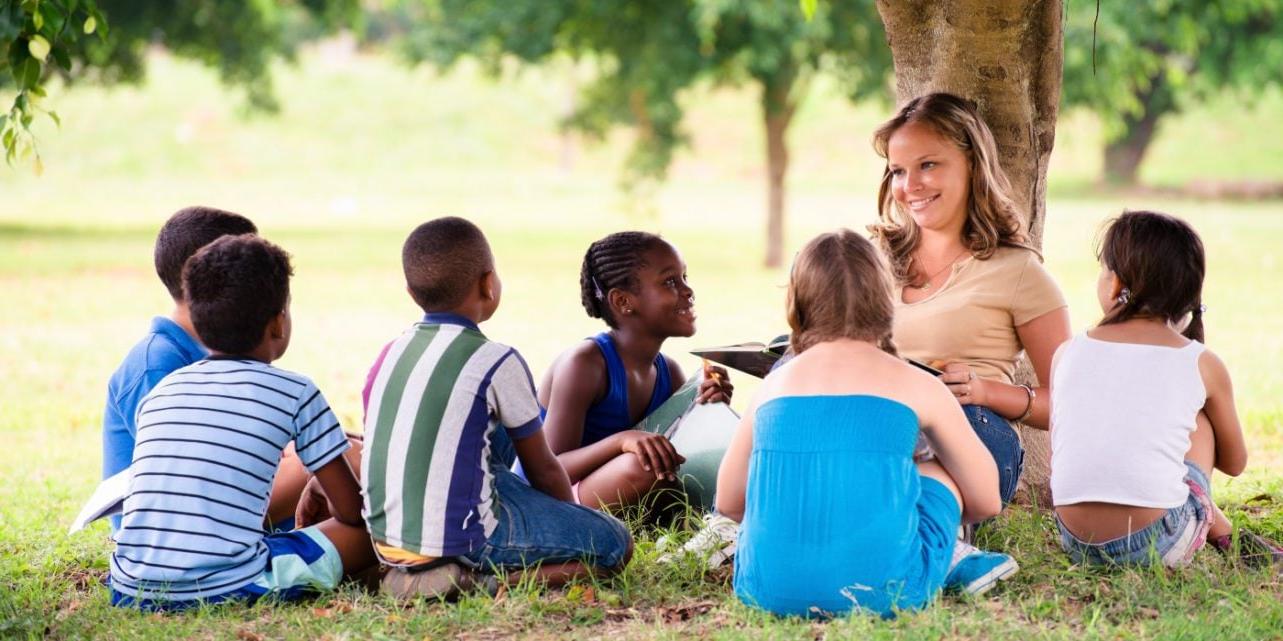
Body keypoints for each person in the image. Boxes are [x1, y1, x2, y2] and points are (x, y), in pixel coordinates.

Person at [717, 229, 1001, 618]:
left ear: (798, 303)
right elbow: (987, 500)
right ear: (886, 301)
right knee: (935, 468)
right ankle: (947, 555)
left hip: (764, 590)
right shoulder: (918, 384)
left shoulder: (771, 387)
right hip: (888, 593)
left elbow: (729, 502)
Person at [361, 217, 632, 598]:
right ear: (488, 283)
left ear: (410, 291)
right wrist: (573, 518)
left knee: (491, 421)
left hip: (387, 541)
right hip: (466, 539)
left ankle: (411, 571)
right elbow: (544, 470)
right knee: (614, 544)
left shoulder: (387, 355)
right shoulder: (494, 359)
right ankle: (475, 581)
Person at [109, 235, 375, 611]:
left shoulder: (164, 389)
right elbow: (350, 512)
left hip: (129, 587)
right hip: (229, 584)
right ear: (279, 323)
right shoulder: (295, 391)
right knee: (369, 533)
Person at [870, 93, 1071, 507]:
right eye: (897, 171)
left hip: (970, 431)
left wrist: (984, 392)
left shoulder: (1018, 272)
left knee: (913, 434)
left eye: (928, 165)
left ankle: (929, 527)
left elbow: (1069, 403)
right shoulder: (872, 260)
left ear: (973, 165)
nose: (910, 187)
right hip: (882, 421)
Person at [1051, 210, 1283, 568]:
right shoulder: (1201, 362)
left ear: (1114, 285)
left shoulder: (1067, 352)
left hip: (1075, 541)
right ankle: (1224, 533)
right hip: (1158, 542)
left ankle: (1224, 532)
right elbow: (1235, 464)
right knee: (1201, 418)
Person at [537, 231, 731, 513]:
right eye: (670, 282)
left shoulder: (669, 372)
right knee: (643, 466)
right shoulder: (585, 364)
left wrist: (710, 405)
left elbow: (689, 455)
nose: (688, 291)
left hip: (613, 496)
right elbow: (549, 470)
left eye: (685, 278)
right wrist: (622, 441)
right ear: (623, 301)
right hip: (550, 502)